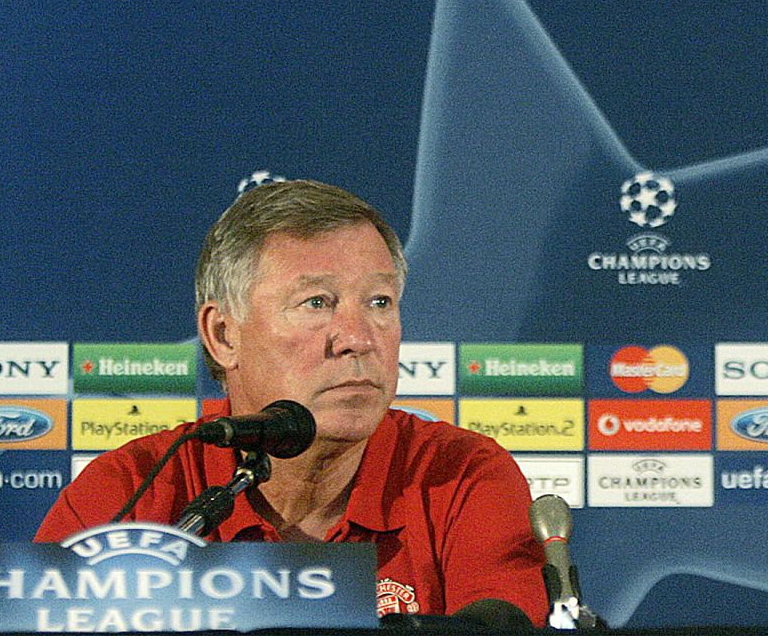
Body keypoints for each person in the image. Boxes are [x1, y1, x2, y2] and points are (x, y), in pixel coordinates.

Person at [37, 180, 547, 623]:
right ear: (222, 336)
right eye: (316, 303)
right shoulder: (129, 496)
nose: (358, 338)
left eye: (379, 302)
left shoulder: (461, 476)